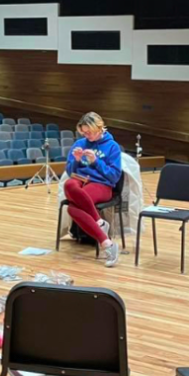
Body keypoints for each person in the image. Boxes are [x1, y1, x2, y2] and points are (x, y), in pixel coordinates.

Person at [63, 112, 123, 267]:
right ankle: (99, 223)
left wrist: (96, 161)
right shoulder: (80, 144)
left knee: (72, 209)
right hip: (80, 180)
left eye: (89, 132)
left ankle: (106, 244)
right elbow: (70, 172)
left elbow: (114, 176)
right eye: (84, 132)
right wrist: (76, 161)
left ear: (99, 128)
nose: (86, 135)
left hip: (102, 184)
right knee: (69, 184)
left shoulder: (112, 146)